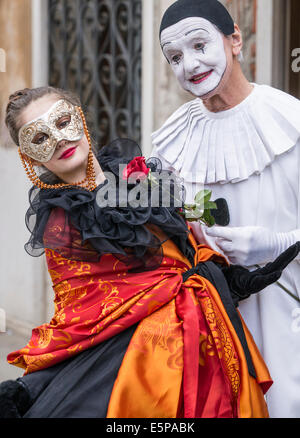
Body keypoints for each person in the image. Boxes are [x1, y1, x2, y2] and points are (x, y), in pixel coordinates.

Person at [0, 86, 298, 419]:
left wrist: (231, 279)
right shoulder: (62, 224)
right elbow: (82, 315)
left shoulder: (138, 178)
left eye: (62, 121)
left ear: (80, 119)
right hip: (141, 370)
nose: (58, 140)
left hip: (208, 342)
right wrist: (36, 386)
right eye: (39, 138)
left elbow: (179, 256)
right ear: (30, 157)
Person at [151, 0, 300, 418]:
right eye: (175, 56)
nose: (190, 65)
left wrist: (274, 244)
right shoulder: (170, 140)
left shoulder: (290, 121)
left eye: (200, 46)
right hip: (210, 324)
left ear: (234, 40)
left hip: (286, 320)